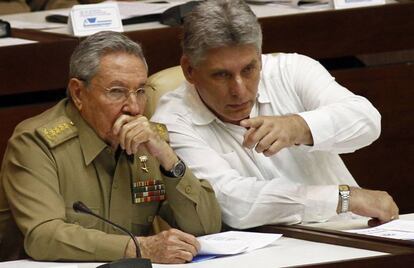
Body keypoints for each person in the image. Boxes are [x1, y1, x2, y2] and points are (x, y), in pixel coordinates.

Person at [151, 0, 399, 230]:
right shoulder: (172, 120)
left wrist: (299, 126)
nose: (239, 90)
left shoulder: (291, 71)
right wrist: (343, 197)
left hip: (351, 230)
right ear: (189, 70)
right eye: (221, 75)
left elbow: (367, 121)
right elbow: (230, 202)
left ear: (260, 58)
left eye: (249, 69)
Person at [0, 31, 221, 263]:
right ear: (78, 93)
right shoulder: (35, 143)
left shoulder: (150, 144)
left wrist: (168, 160)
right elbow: (43, 237)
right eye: (117, 91)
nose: (134, 108)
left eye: (141, 91)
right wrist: (139, 248)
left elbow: (206, 227)